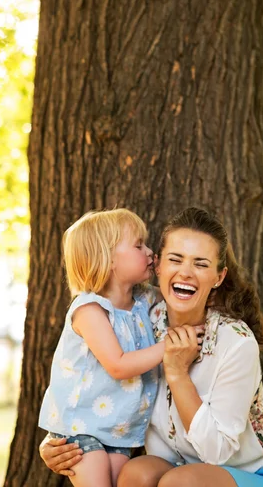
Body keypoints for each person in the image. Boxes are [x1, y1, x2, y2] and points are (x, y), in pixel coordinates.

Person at [40, 207, 263, 487]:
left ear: (218, 277)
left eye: (201, 264)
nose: (186, 273)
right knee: (136, 474)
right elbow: (99, 381)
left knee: (179, 482)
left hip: (244, 474)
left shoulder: (234, 341)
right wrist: (61, 437)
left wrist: (177, 373)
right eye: (176, 259)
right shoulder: (142, 319)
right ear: (158, 266)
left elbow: (216, 454)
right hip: (175, 466)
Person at [39, 208, 179, 487]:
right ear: (108, 259)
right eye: (139, 245)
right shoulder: (90, 309)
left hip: (117, 430)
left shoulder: (143, 302)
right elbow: (118, 364)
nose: (151, 251)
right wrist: (170, 347)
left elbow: (173, 290)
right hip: (80, 427)